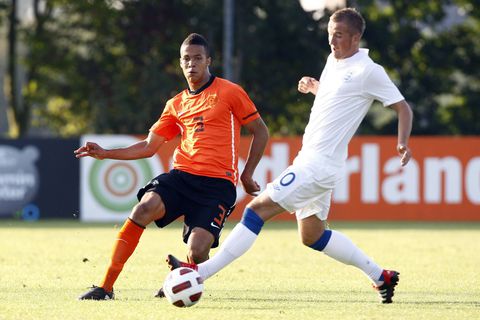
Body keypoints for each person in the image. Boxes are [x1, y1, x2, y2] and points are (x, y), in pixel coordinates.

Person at [165, 8, 413, 304]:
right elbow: (338, 98)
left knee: (255, 210)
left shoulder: (369, 71)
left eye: (339, 35)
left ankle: (199, 273)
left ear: (356, 37)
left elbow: (403, 107)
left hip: (316, 166)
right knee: (312, 236)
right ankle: (380, 276)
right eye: (330, 34)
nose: (332, 40)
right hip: (314, 162)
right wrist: (315, 89)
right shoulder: (334, 61)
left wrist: (402, 143)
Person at [75, 33, 269, 300]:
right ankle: (106, 287)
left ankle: (183, 277)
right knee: (144, 208)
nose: (192, 64)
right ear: (180, 63)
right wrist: (106, 154)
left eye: (198, 58)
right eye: (187, 59)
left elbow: (261, 132)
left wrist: (247, 174)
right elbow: (148, 146)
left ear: (209, 61)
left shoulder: (230, 92)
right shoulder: (175, 104)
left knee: (199, 249)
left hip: (217, 185)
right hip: (182, 176)